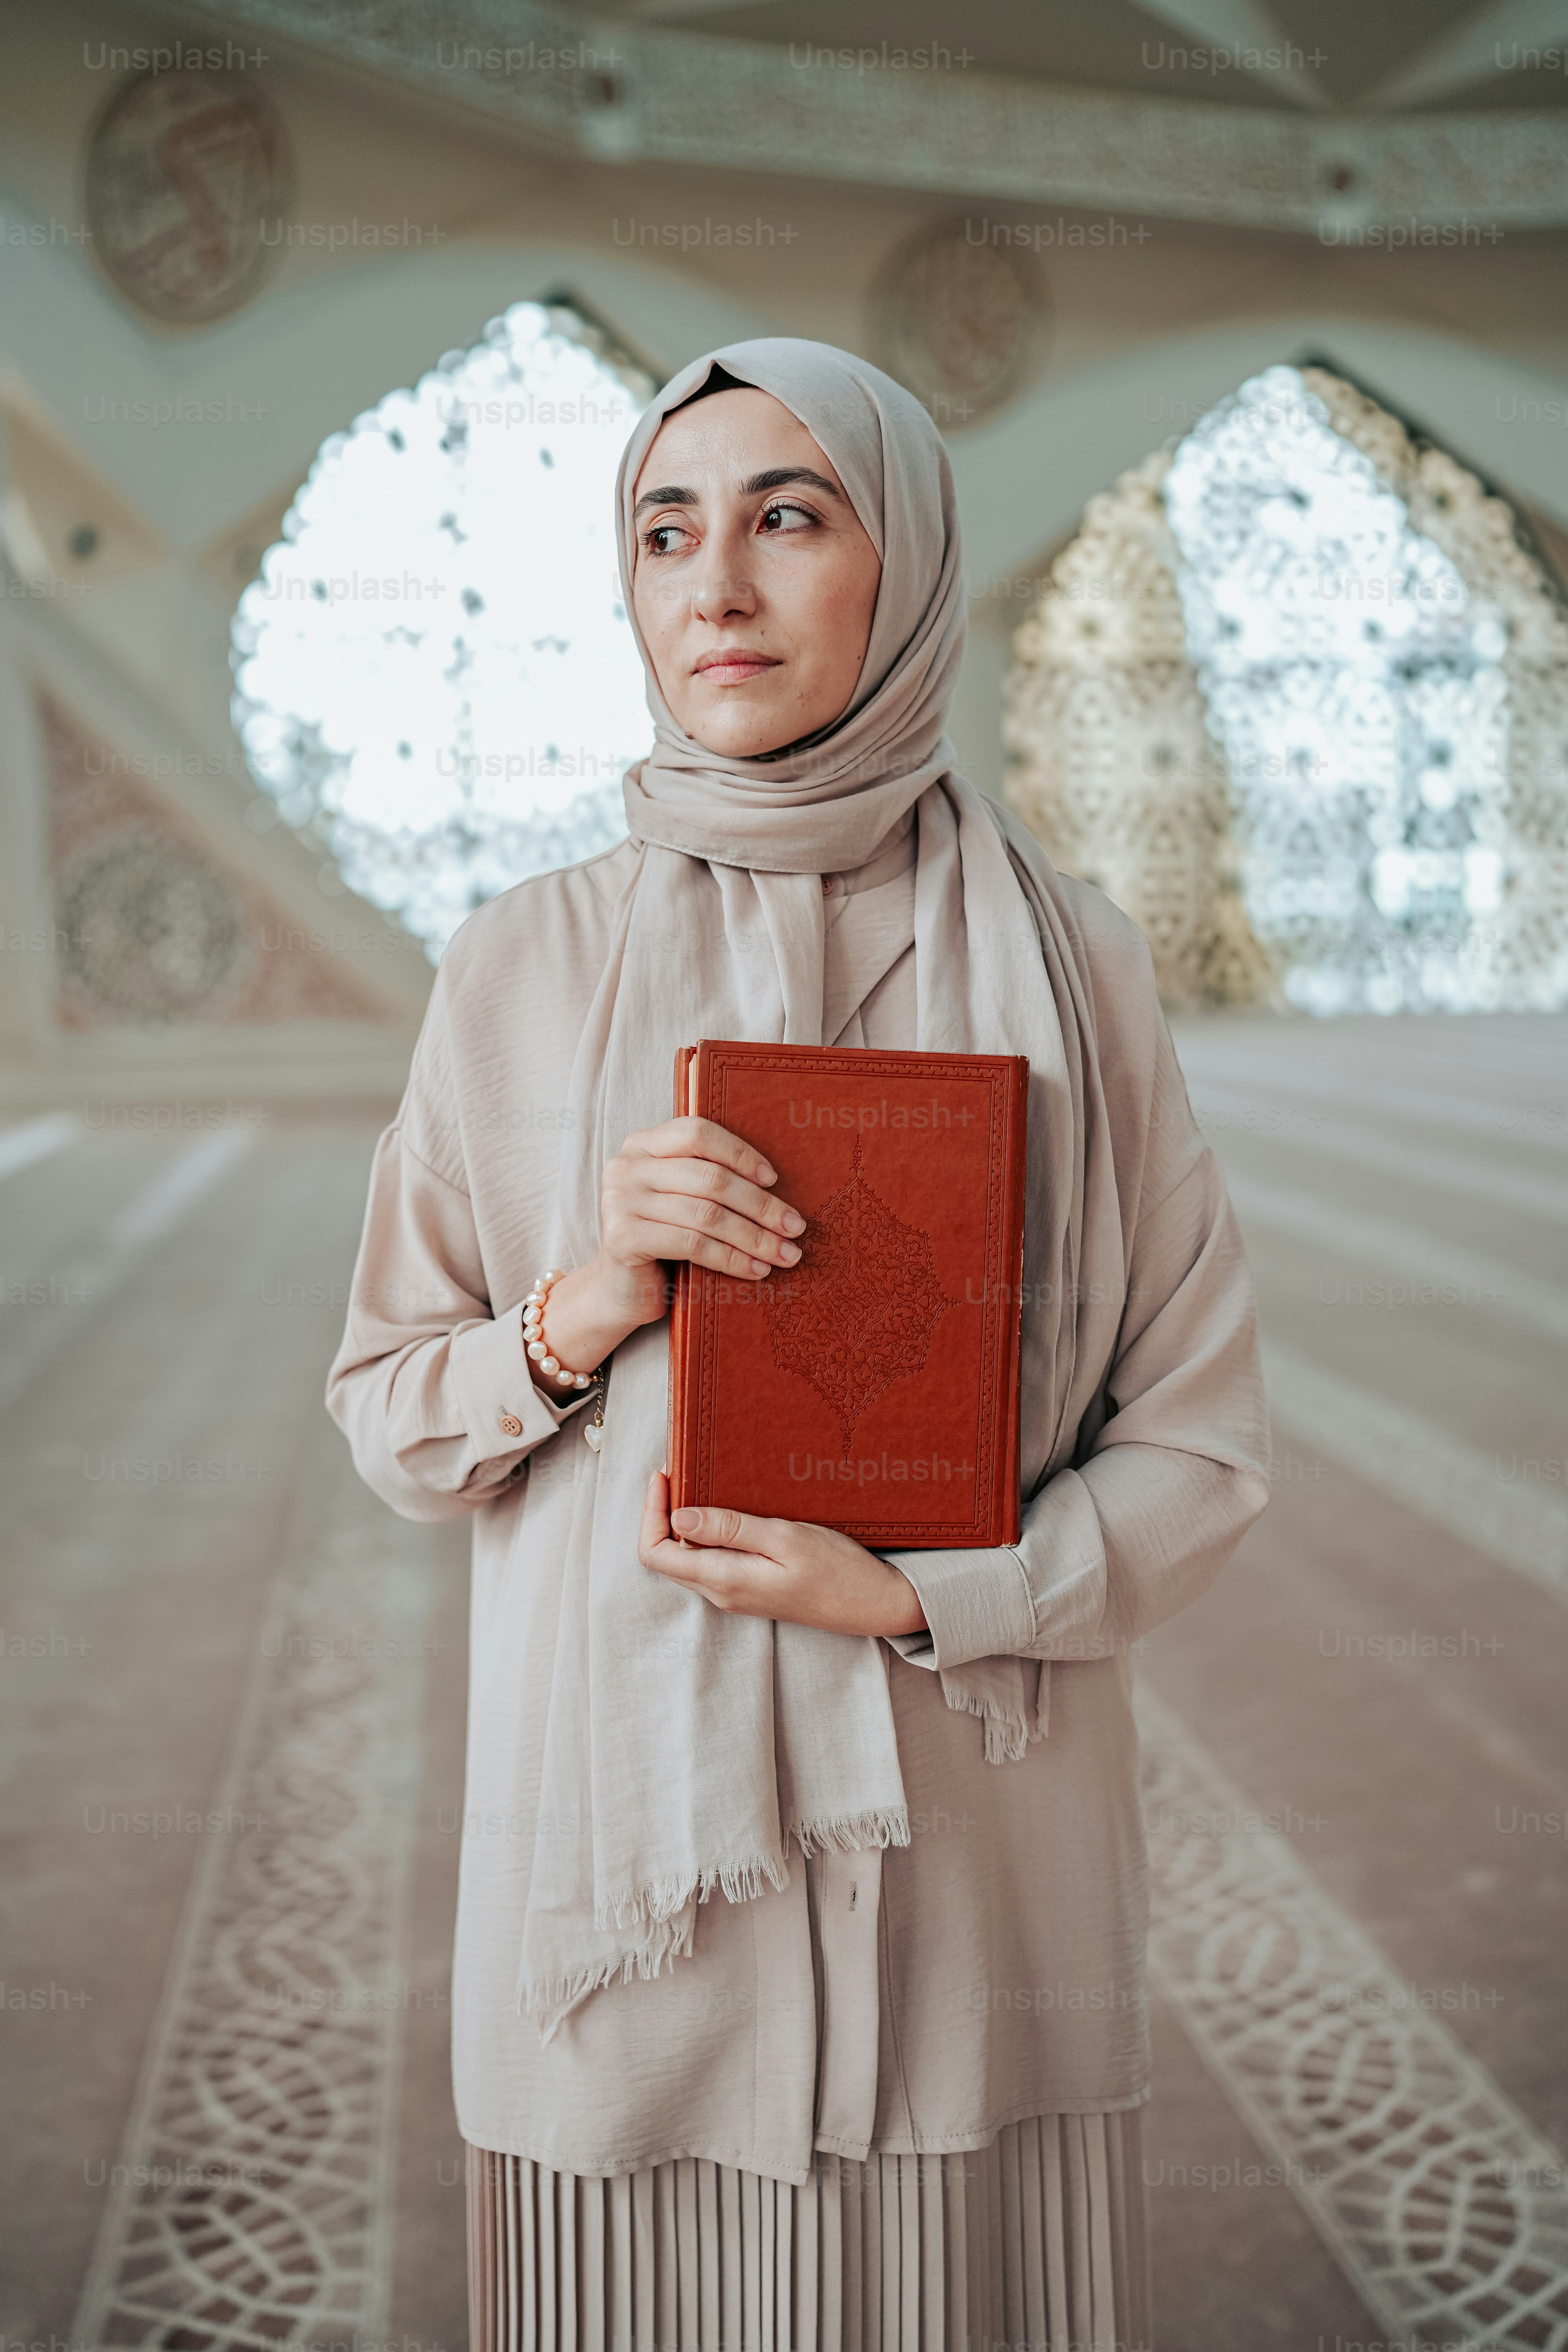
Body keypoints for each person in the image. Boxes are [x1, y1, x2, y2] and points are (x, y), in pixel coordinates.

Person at [328, 337, 1270, 2352]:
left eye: (789, 516)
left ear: (906, 563)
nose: (716, 587)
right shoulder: (519, 965)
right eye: (667, 531)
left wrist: (930, 1596)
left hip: (976, 1877)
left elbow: (1203, 1443)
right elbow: (392, 1417)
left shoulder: (1068, 960)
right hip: (625, 1906)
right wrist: (589, 1299)